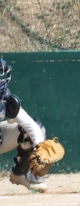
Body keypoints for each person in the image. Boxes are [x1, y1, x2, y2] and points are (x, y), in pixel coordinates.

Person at [0, 58, 48, 191]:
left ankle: (20, 173)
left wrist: (40, 149)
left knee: (35, 130)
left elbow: (30, 125)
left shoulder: (4, 97)